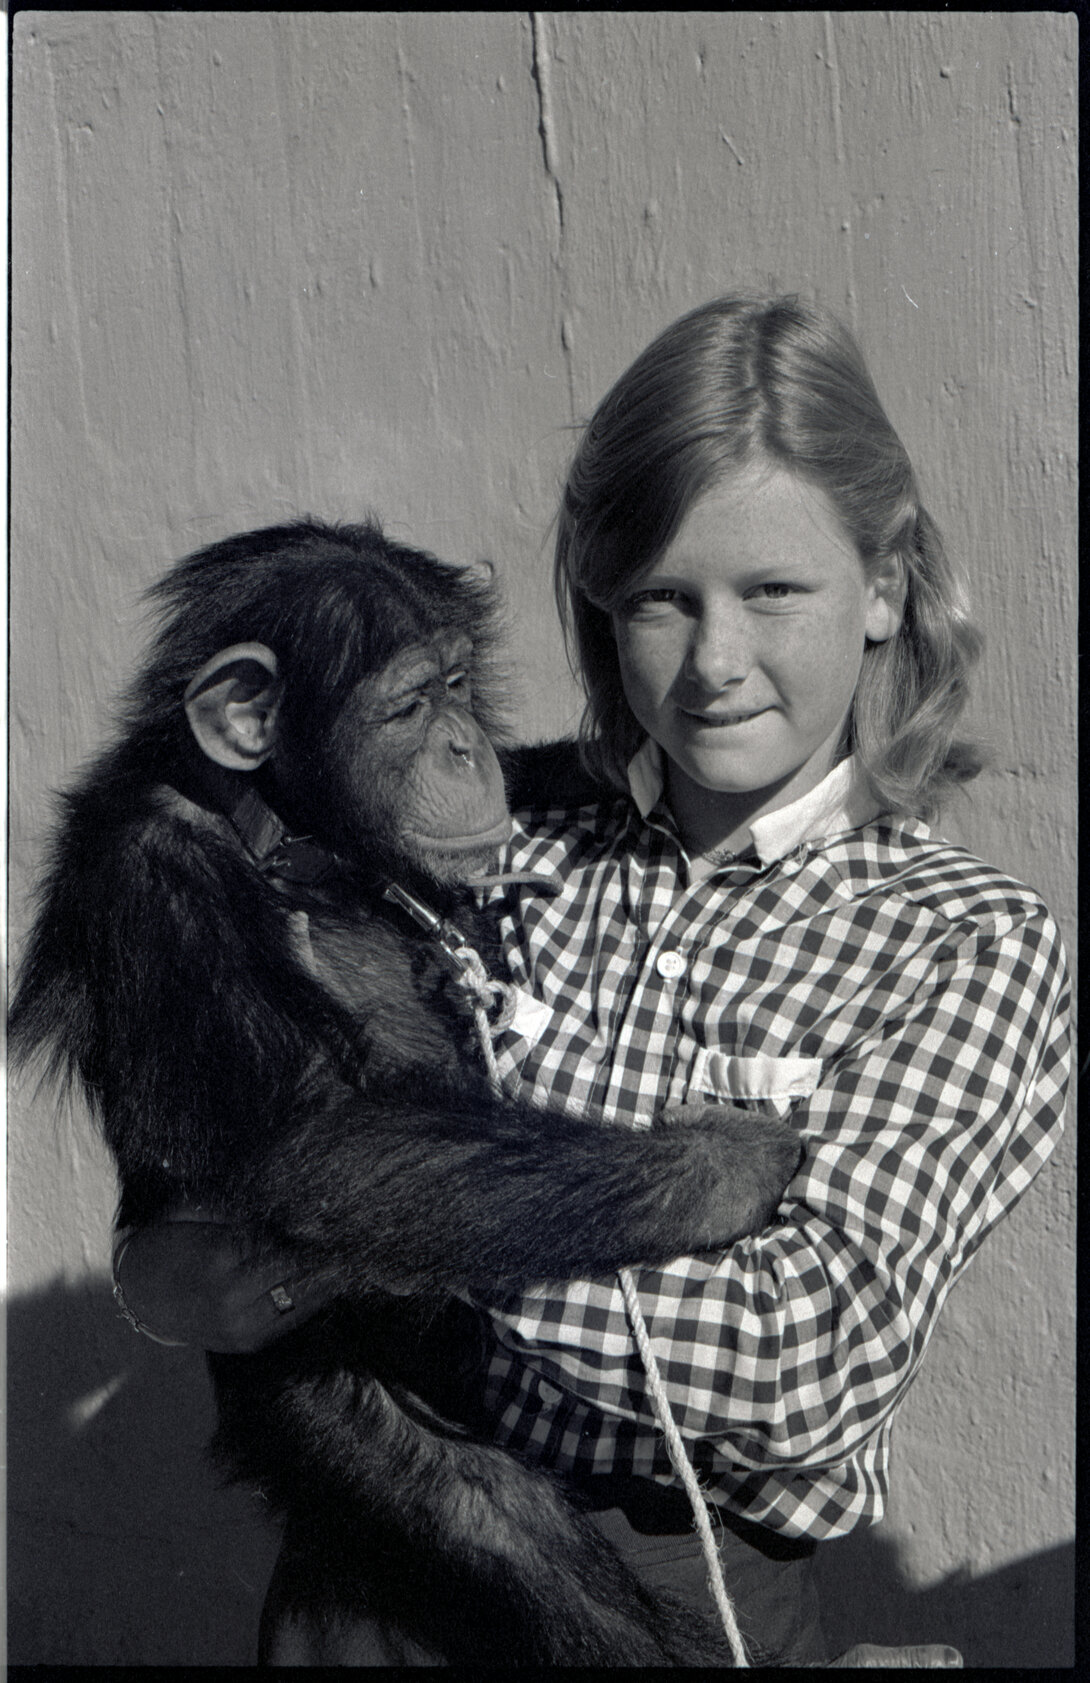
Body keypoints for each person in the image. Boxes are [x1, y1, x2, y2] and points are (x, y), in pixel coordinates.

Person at [114, 294, 1070, 1667]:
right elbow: (197, 1194)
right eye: (661, 602)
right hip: (371, 1564)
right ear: (600, 607)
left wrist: (363, 1217)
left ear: (884, 585)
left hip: (673, 1589)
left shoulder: (955, 942)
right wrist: (174, 1269)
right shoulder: (484, 846)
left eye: (771, 592)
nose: (714, 661)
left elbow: (798, 1364)